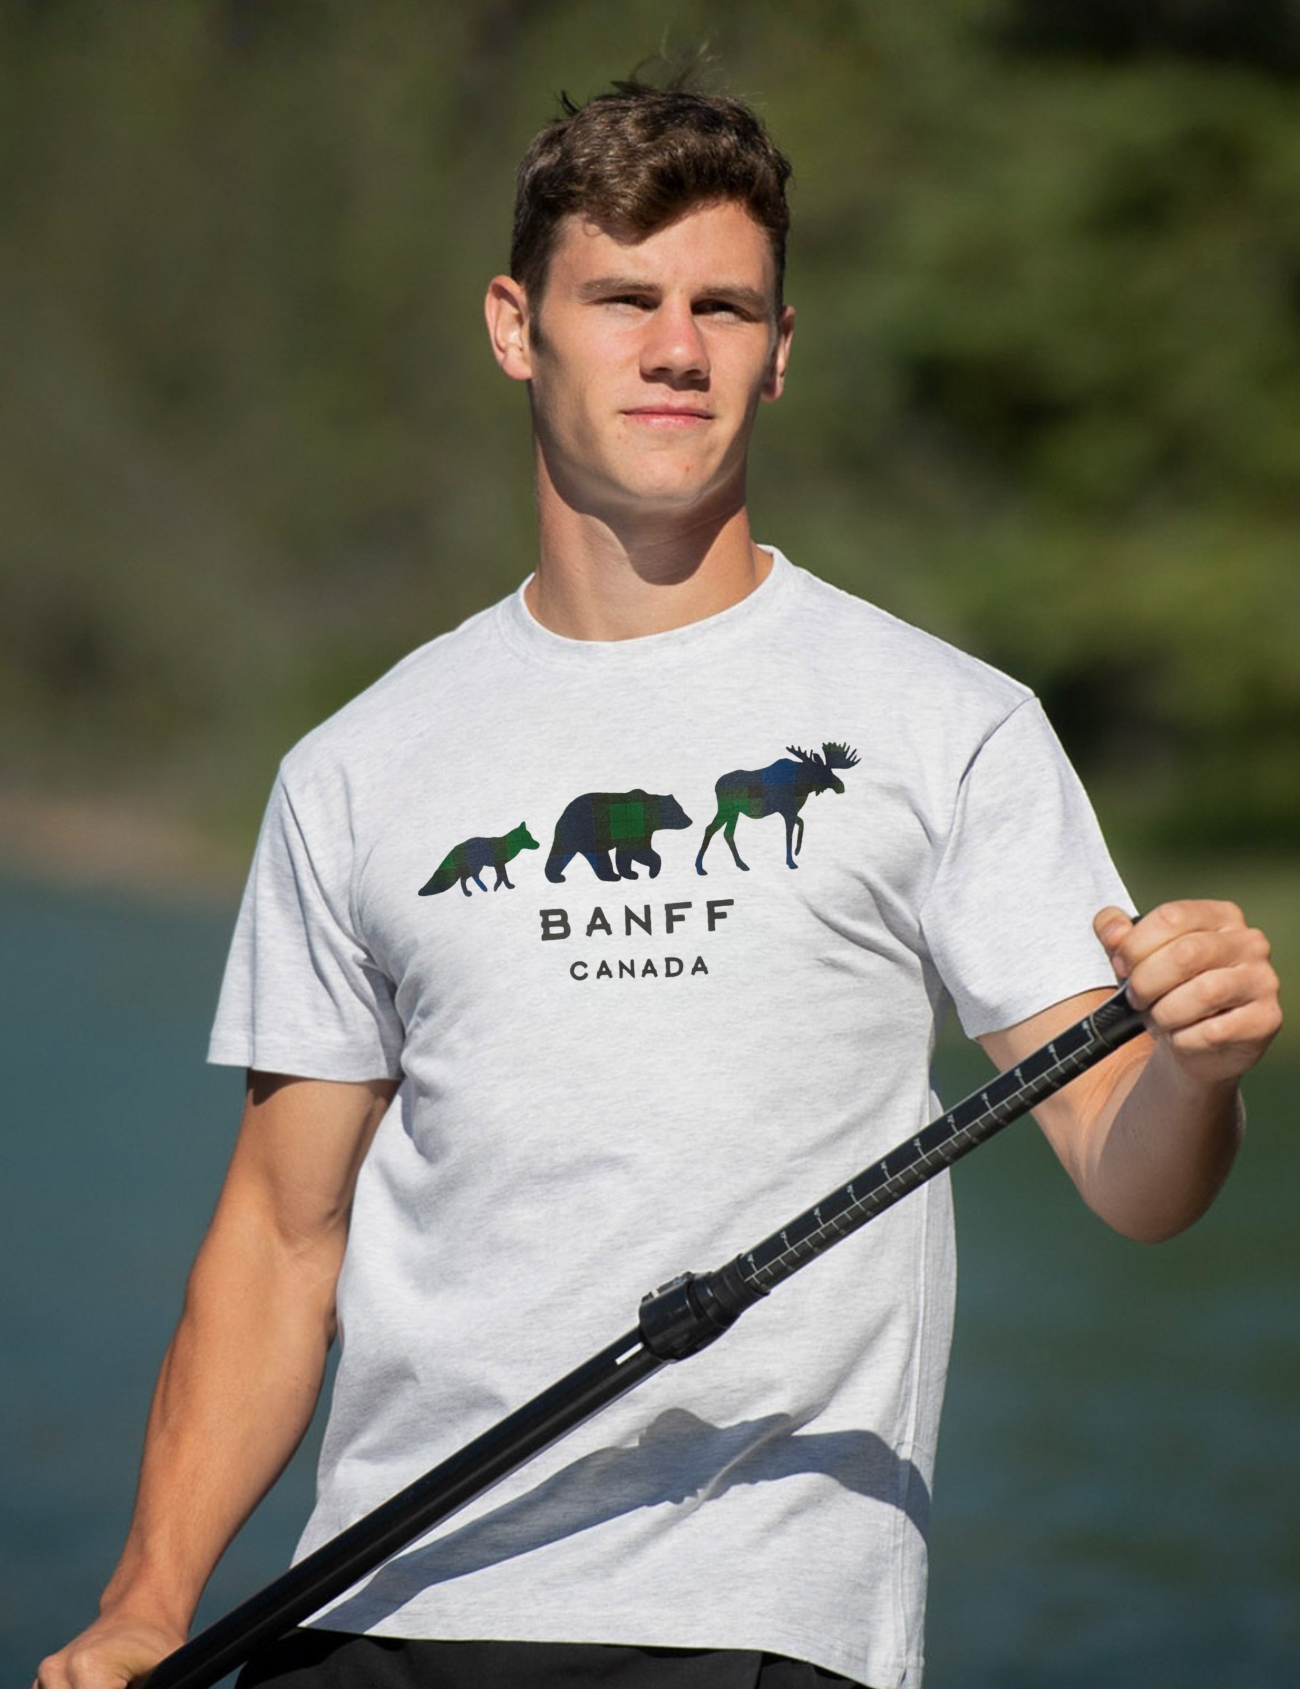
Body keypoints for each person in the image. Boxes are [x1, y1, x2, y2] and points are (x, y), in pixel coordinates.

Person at [37, 75, 1280, 1689]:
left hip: (753, 1618)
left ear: (781, 347)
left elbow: (1133, 1173)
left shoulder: (947, 725)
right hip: (377, 1613)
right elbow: (280, 1239)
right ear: (516, 325)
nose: (675, 346)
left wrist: (1195, 1067)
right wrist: (147, 1602)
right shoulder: (357, 764)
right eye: (622, 297)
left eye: (723, 305)